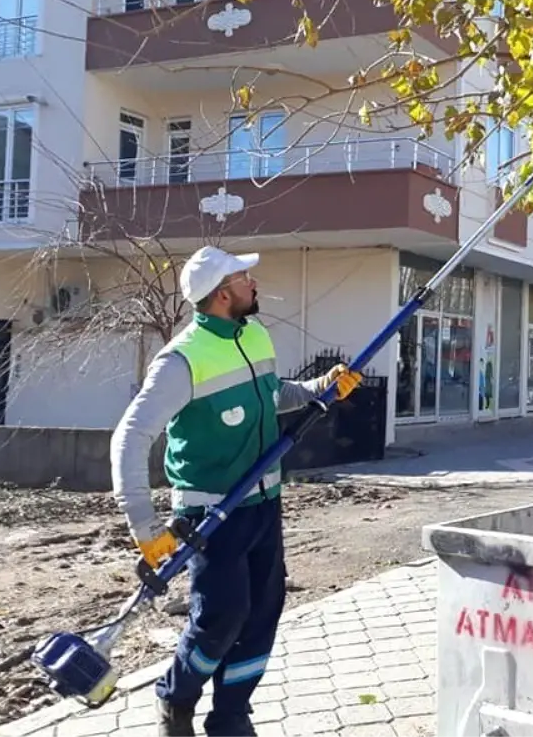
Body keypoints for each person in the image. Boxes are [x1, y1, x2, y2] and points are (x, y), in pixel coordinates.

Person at [110, 246, 362, 736]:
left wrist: (319, 388)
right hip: (211, 516)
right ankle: (175, 697)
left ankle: (230, 715)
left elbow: (269, 393)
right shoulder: (181, 360)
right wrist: (145, 526)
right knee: (222, 617)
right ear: (223, 294)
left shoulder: (254, 333)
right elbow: (130, 437)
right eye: (245, 278)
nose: (254, 283)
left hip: (264, 502)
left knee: (264, 612)